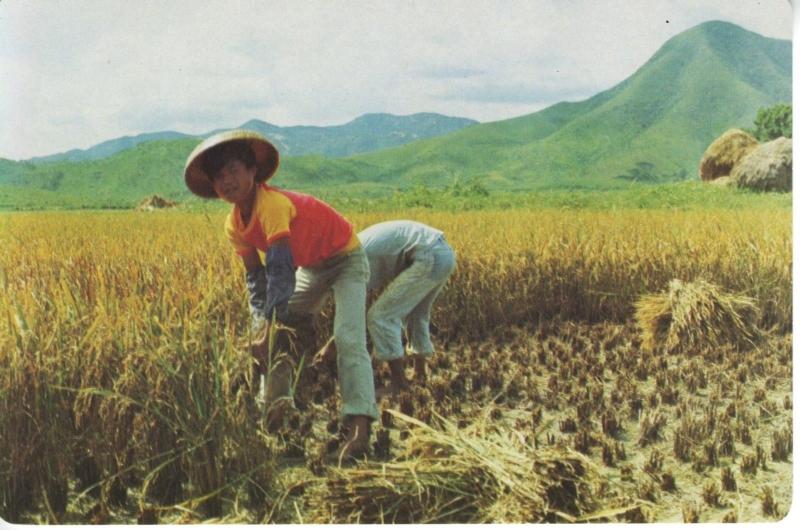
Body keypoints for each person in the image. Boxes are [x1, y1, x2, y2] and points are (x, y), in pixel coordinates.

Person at [184, 130, 377, 460]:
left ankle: (359, 430)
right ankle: (273, 417)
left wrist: (268, 328)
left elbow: (280, 271)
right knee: (272, 335)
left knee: (347, 338)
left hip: (345, 258)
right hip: (313, 267)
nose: (227, 181)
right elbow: (255, 280)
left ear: (252, 171)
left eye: (233, 170)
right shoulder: (233, 225)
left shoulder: (271, 206)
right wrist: (263, 328)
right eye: (219, 176)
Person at [358, 220, 456, 397]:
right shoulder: (358, 246)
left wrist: (334, 343)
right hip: (444, 254)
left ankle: (399, 384)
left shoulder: (352, 260)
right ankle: (420, 373)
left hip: (428, 256)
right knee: (416, 312)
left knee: (380, 316)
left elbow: (355, 309)